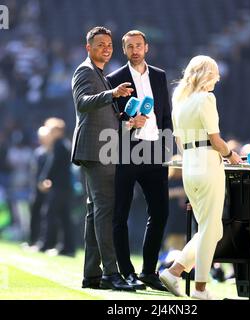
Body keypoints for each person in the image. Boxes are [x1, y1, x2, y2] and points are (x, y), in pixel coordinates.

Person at [159, 55, 241, 300]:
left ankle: (175, 271)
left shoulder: (179, 100)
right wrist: (232, 154)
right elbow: (216, 141)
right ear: (206, 74)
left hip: (189, 166)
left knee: (212, 230)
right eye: (215, 72)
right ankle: (200, 288)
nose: (218, 77)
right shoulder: (207, 98)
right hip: (207, 165)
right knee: (209, 229)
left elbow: (179, 142)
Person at [107, 30, 172, 291]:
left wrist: (168, 148)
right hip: (125, 150)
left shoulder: (159, 75)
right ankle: (127, 272)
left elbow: (166, 114)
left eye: (139, 45)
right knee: (120, 213)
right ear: (124, 50)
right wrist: (129, 121)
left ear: (147, 47)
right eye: (130, 46)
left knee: (160, 212)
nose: (135, 50)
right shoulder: (114, 79)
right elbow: (111, 118)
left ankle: (148, 271)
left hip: (155, 150)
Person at [71, 26, 135, 291]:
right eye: (100, 44)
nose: (106, 48)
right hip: (96, 151)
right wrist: (112, 94)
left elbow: (103, 114)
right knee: (105, 211)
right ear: (88, 47)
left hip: (102, 149)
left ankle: (92, 275)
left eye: (109, 44)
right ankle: (110, 272)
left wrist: (126, 120)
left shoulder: (100, 74)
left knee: (95, 212)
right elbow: (82, 102)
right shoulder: (84, 71)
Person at [37, 118, 75, 256]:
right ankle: (67, 247)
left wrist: (45, 178)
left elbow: (53, 164)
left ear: (58, 131)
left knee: (50, 214)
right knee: (64, 217)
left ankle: (46, 244)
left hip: (59, 186)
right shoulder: (64, 144)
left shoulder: (59, 145)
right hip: (65, 186)